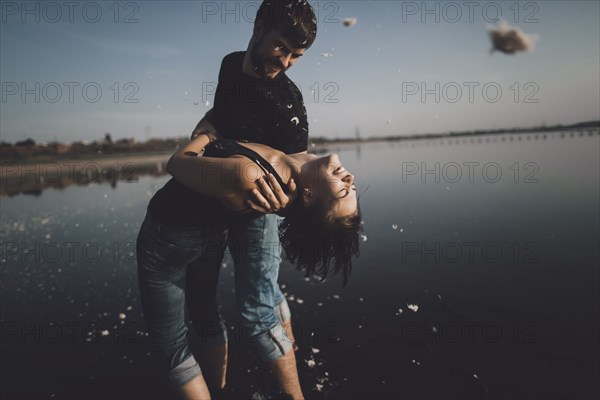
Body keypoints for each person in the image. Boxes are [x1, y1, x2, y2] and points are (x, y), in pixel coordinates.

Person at [137, 133, 362, 399]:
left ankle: (218, 389)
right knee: (204, 312)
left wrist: (207, 134)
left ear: (309, 196)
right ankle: (219, 390)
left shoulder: (252, 175)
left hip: (168, 237)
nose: (351, 179)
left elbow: (175, 164)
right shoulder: (276, 180)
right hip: (209, 236)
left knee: (172, 348)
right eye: (352, 189)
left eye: (343, 191)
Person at [188, 0, 317, 397]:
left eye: (297, 55)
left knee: (257, 309)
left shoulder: (287, 103)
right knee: (238, 295)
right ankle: (240, 377)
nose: (289, 61)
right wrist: (204, 136)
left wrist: (280, 203)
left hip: (262, 210)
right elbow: (221, 118)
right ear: (260, 26)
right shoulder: (230, 64)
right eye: (282, 47)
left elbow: (299, 169)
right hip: (222, 197)